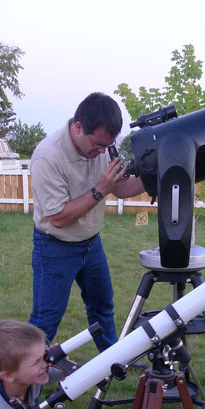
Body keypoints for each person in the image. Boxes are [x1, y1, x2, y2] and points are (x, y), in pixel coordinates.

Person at [29, 92, 144, 353]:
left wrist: (158, 176)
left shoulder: (100, 146)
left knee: (103, 307)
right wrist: (99, 190)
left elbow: (122, 189)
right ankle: (22, 384)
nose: (103, 152)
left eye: (108, 145)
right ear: (78, 127)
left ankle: (112, 363)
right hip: (54, 247)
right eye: (98, 145)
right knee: (45, 322)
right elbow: (57, 218)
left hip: (91, 244)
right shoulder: (48, 157)